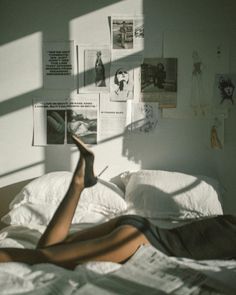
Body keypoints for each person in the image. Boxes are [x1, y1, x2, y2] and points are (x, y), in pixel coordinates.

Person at [0, 135, 235, 269]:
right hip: (138, 242)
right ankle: (79, 183)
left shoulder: (228, 222)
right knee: (44, 259)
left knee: (49, 250)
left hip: (137, 226)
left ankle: (79, 184)